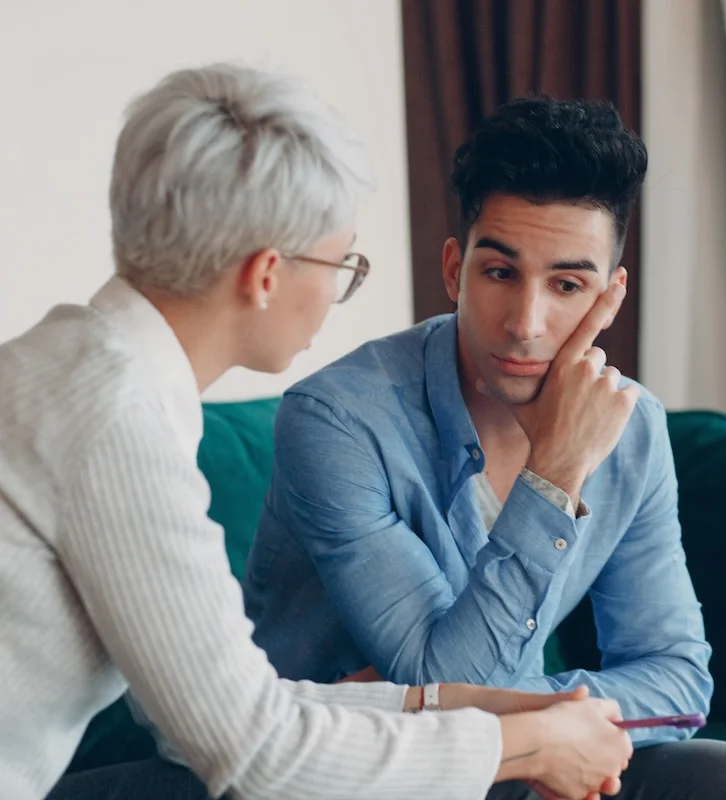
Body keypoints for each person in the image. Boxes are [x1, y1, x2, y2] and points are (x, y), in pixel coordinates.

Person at [0, 64, 634, 800]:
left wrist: (459, 705)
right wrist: (525, 743)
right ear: (268, 274)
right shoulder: (113, 422)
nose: (338, 290)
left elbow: (203, 714)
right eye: (343, 263)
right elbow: (256, 752)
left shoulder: (72, 370)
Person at [241, 95, 726, 799]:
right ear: (454, 268)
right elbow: (443, 685)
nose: (527, 322)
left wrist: (547, 722)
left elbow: (677, 678)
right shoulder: (338, 420)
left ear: (610, 296)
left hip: (504, 759)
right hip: (346, 771)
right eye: (500, 273)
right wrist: (556, 474)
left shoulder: (632, 426)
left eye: (567, 285)